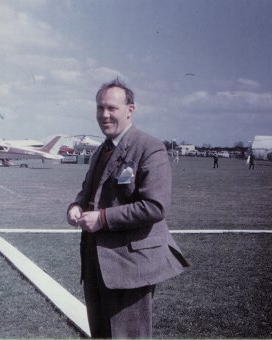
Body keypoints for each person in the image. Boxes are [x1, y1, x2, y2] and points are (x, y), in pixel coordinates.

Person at [67, 79, 189, 338]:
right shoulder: (102, 149)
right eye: (100, 108)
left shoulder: (149, 147)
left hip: (131, 265)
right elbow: (89, 191)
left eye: (111, 108)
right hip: (96, 261)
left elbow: (154, 207)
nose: (104, 115)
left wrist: (101, 218)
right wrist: (76, 206)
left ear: (130, 110)